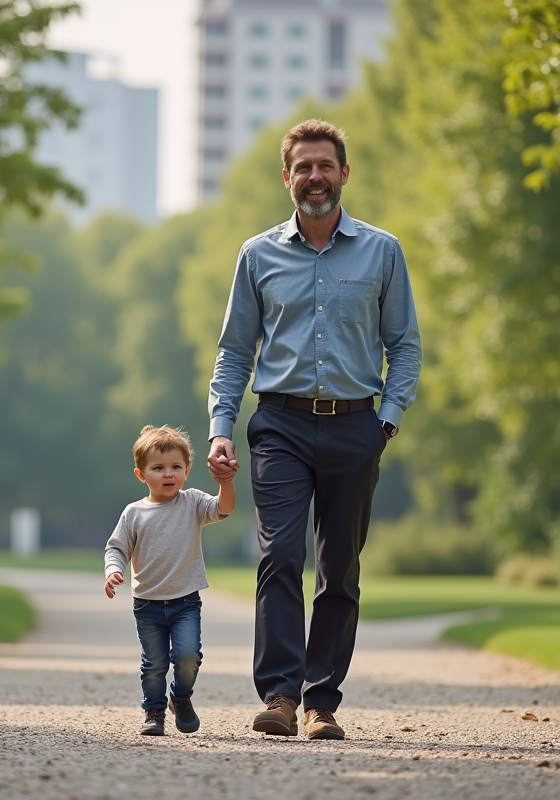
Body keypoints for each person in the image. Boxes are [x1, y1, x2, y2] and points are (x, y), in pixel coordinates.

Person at [206, 119, 422, 740]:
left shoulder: (383, 251)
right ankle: (278, 693)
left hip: (358, 426)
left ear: (344, 173)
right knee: (280, 554)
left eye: (325, 165)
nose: (315, 177)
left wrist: (386, 422)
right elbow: (232, 352)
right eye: (302, 167)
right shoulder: (257, 254)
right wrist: (222, 426)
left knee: (340, 566)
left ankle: (321, 701)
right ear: (286, 178)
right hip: (279, 425)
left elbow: (404, 345)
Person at [104, 425, 237, 736]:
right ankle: (154, 712)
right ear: (141, 474)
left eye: (176, 467)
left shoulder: (191, 503)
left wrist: (226, 482)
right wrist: (113, 570)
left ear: (187, 470)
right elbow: (117, 548)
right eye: (158, 468)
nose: (168, 474)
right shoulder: (133, 513)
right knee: (154, 664)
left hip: (185, 601)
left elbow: (224, 508)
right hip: (147, 604)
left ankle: (180, 695)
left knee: (188, 656)